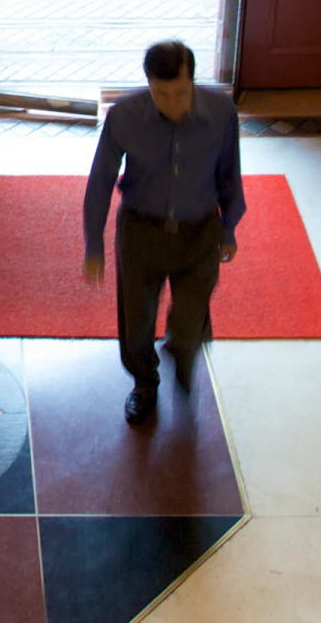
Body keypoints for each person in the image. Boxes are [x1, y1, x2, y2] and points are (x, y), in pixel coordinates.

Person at [82, 39, 244, 426]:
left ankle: (184, 355)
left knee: (190, 319)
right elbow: (101, 181)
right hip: (141, 230)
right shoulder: (124, 117)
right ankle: (144, 383)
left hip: (200, 230)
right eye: (162, 94)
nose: (174, 104)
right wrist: (93, 244)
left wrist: (229, 227)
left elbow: (229, 173)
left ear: (193, 80)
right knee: (136, 319)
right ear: (148, 85)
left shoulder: (221, 112)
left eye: (182, 93)